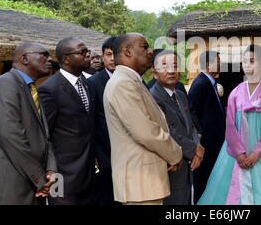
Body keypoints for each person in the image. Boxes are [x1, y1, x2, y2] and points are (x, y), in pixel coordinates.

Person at [197, 45, 261, 205]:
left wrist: (257, 152)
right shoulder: (236, 92)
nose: (247, 65)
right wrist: (239, 153)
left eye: (252, 61)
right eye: (244, 61)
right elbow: (230, 125)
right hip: (237, 151)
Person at [103, 33, 182, 205]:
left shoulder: (133, 81)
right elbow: (146, 132)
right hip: (139, 182)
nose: (150, 52)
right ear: (128, 51)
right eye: (144, 47)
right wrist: (175, 153)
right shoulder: (123, 84)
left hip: (145, 181)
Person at [0, 42, 57, 204]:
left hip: (34, 184)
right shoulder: (5, 84)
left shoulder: (31, 88)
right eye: (44, 55)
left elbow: (45, 135)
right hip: (11, 184)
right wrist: (39, 178)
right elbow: (12, 137)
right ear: (24, 58)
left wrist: (51, 170)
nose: (50, 59)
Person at [38, 37, 96, 205]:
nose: (88, 55)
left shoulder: (87, 84)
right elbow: (45, 135)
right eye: (82, 52)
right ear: (66, 59)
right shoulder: (49, 90)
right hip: (62, 176)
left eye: (87, 51)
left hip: (88, 173)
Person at [150, 50, 204, 205]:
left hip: (189, 161)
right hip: (170, 162)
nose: (171, 70)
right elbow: (167, 131)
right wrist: (194, 149)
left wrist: (197, 146)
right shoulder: (153, 97)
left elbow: (191, 125)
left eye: (175, 65)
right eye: (165, 66)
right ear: (154, 73)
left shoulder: (180, 95)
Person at [188, 50, 226, 203]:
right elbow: (193, 113)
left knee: (212, 179)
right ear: (209, 64)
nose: (220, 64)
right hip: (206, 143)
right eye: (218, 60)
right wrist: (200, 137)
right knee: (203, 180)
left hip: (214, 142)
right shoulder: (201, 84)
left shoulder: (210, 83)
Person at [86, 37, 118, 205]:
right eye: (108, 54)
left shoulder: (134, 80)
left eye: (115, 54)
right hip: (104, 153)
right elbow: (90, 120)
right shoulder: (93, 83)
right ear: (103, 56)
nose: (112, 59)